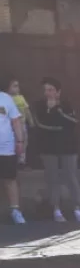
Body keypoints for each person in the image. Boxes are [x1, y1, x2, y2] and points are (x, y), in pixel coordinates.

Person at [33, 77, 80, 222]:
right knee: (52, 178)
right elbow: (41, 124)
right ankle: (56, 209)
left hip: (68, 147)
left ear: (58, 92)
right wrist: (50, 112)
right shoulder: (40, 106)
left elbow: (73, 122)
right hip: (48, 148)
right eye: (45, 90)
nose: (47, 93)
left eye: (50, 90)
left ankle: (77, 208)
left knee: (71, 177)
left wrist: (57, 111)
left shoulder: (66, 105)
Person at [0, 75, 26, 224]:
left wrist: (20, 141)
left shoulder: (6, 98)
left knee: (10, 179)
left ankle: (15, 210)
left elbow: (16, 121)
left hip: (6, 147)